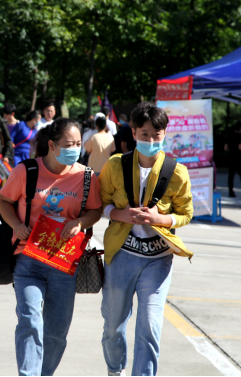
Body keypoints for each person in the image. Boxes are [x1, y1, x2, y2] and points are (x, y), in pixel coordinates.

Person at [0, 119, 102, 376]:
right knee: (29, 320)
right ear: (52, 146)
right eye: (69, 144)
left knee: (56, 332)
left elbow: (95, 210)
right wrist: (16, 225)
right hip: (28, 259)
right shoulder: (26, 171)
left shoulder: (86, 176)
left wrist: (80, 222)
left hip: (64, 263)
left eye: (78, 144)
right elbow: (3, 200)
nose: (75, 149)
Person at [99, 102, 194, 376]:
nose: (151, 140)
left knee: (150, 325)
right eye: (144, 134)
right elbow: (101, 202)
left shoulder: (177, 172)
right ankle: (115, 369)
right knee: (113, 325)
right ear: (133, 132)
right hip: (121, 255)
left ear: (165, 134)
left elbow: (185, 214)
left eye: (156, 134)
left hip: (158, 259)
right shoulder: (115, 165)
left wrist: (160, 219)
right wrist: (120, 214)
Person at [225, 122, 241, 198]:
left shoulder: (229, 135)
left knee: (231, 176)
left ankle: (231, 192)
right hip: (239, 158)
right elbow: (240, 147)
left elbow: (225, 148)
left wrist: (231, 149)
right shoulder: (240, 136)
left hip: (231, 158)